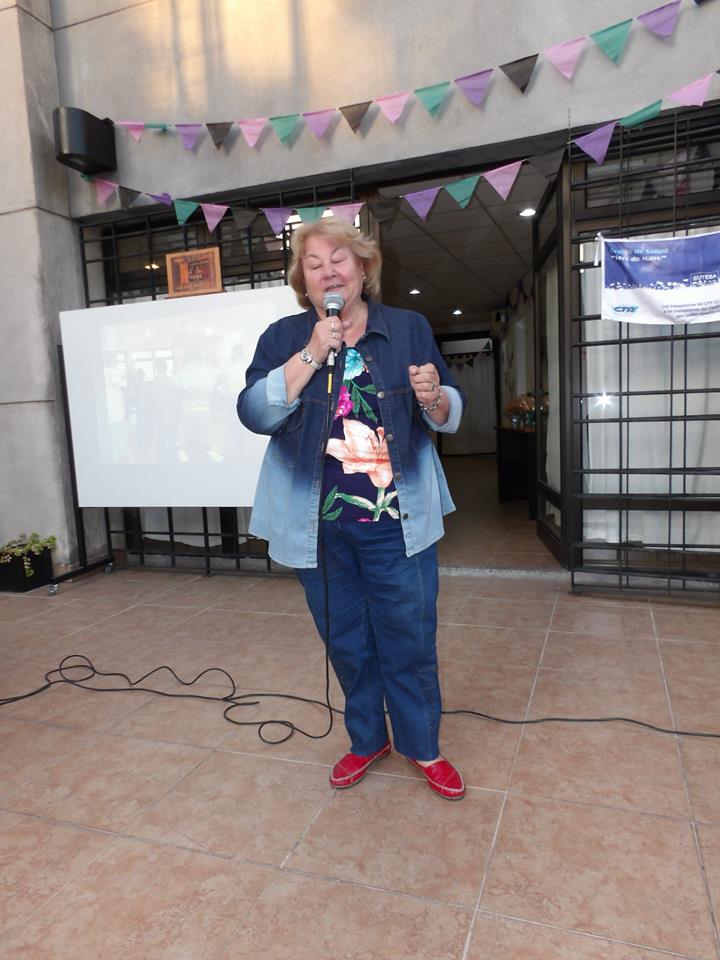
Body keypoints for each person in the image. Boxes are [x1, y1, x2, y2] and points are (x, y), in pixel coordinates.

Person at [237, 217, 467, 800]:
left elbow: (447, 409)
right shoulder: (282, 337)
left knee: (409, 638)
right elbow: (255, 413)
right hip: (317, 526)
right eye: (314, 264)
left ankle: (423, 745)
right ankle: (367, 739)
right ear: (304, 281)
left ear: (363, 268)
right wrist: (313, 353)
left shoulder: (408, 327)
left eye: (339, 259)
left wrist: (435, 399)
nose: (328, 272)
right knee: (347, 640)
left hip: (397, 521)